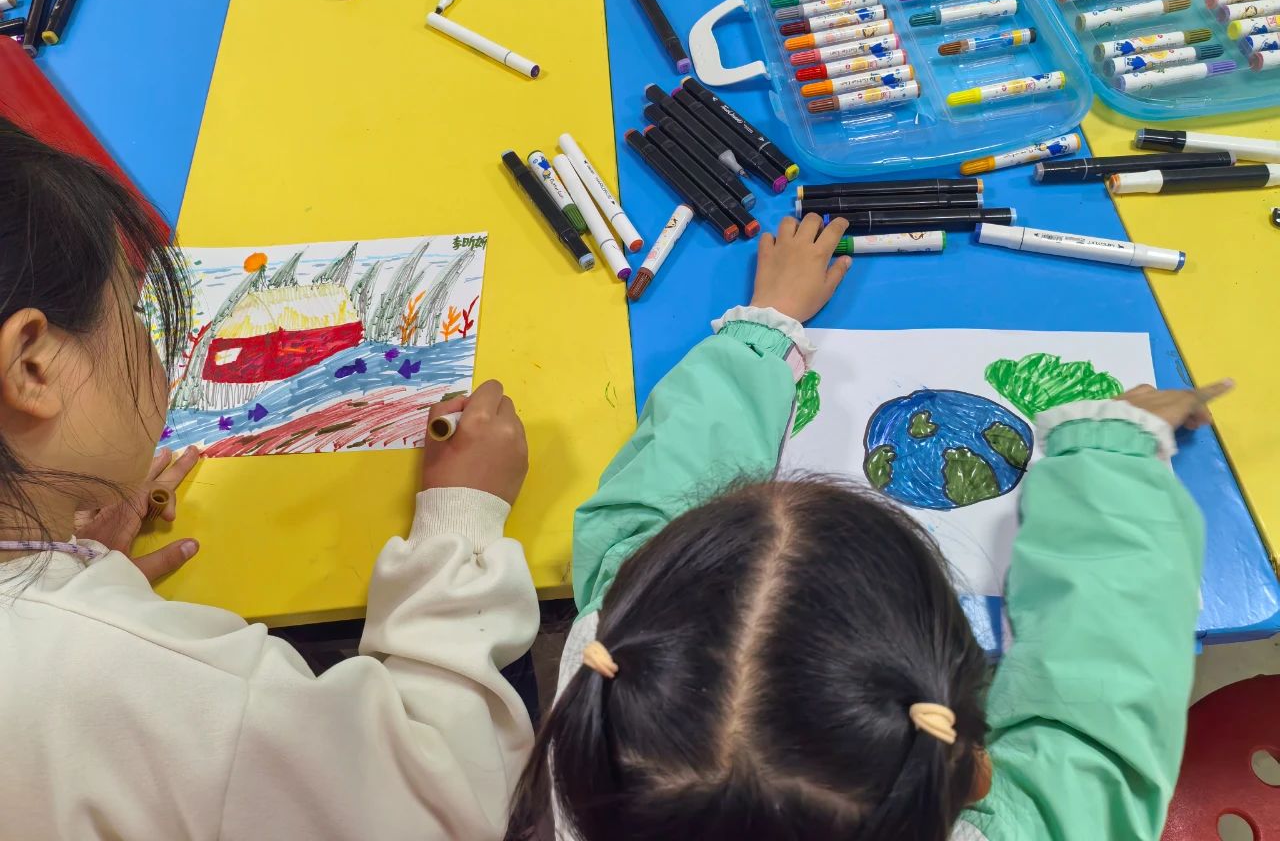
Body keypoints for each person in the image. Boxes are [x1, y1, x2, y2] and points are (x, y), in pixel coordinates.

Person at [506, 213, 1228, 841]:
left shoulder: (605, 677)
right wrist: (1111, 456)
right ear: (967, 762)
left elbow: (642, 517)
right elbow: (1096, 710)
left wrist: (761, 332)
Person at [0, 118, 537, 840]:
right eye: (132, 312)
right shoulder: (179, 692)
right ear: (32, 367)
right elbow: (443, 804)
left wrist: (60, 541)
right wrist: (461, 527)